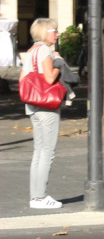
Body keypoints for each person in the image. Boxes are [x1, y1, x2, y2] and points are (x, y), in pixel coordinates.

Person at [23, 18, 65, 209]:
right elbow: (49, 78)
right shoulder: (45, 51)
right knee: (47, 152)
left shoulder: (31, 51)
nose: (57, 34)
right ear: (44, 33)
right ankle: (40, 197)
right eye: (54, 31)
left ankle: (35, 196)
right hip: (47, 105)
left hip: (32, 103)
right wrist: (59, 62)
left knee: (39, 151)